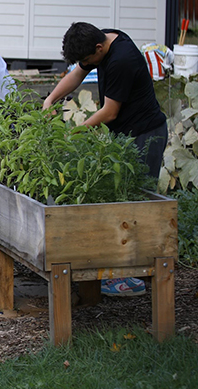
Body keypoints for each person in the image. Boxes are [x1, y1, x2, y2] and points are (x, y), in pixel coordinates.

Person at [43, 22, 167, 297]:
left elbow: (109, 112)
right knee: (121, 198)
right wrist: (50, 99)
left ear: (99, 48)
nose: (85, 64)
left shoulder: (122, 60)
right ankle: (124, 268)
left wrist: (75, 134)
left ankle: (136, 275)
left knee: (138, 202)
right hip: (127, 135)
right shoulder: (104, 39)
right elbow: (77, 74)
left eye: (88, 60)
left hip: (146, 135)